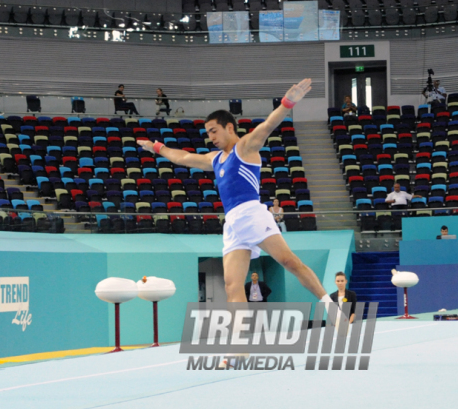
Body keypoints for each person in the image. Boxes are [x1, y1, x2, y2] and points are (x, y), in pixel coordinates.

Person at [137, 79, 337, 311]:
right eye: (208, 132)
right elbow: (182, 157)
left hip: (252, 213)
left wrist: (287, 102)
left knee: (289, 262)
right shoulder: (214, 158)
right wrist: (157, 147)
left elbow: (267, 126)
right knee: (232, 286)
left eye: (214, 130)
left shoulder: (244, 148)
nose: (210, 136)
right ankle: (240, 342)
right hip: (232, 222)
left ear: (229, 127)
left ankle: (330, 305)